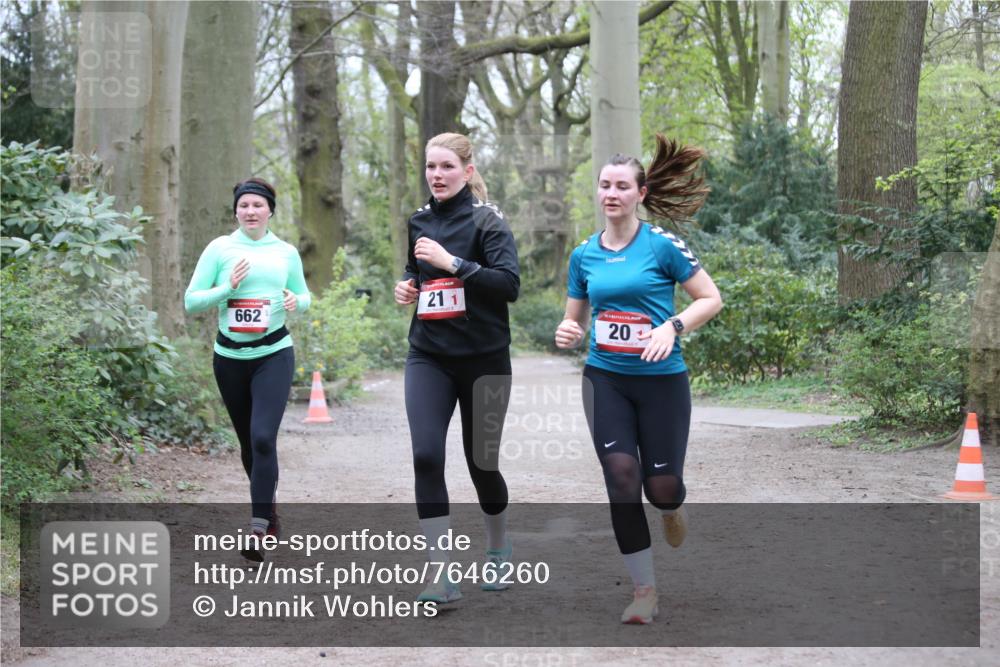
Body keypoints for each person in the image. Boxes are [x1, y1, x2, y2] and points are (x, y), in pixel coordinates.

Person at [554, 134, 723, 624]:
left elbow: (710, 298)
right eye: (605, 185)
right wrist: (569, 330)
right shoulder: (584, 254)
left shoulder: (662, 245)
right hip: (605, 378)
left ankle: (672, 507)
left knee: (661, 486)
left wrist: (671, 327)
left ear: (640, 194)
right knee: (621, 477)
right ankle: (644, 590)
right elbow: (575, 320)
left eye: (621, 186)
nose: (611, 193)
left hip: (662, 381)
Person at [394, 132, 520, 603]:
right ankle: (442, 574)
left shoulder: (488, 221)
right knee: (426, 455)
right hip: (428, 354)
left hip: (485, 360)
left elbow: (508, 285)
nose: (437, 175)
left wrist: (454, 263)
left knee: (481, 463)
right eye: (430, 167)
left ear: (467, 171)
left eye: (447, 167)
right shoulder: (419, 220)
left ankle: (499, 548)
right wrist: (408, 286)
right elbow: (417, 270)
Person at [184, 177, 311, 563]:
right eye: (244, 206)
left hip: (274, 353)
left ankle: (257, 528)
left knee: (262, 438)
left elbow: (304, 296)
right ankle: (270, 512)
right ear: (236, 210)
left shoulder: (286, 252)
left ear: (270, 210)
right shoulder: (219, 249)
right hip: (229, 359)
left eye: (258, 205)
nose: (250, 212)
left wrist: (295, 300)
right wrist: (227, 288)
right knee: (247, 445)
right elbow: (192, 301)